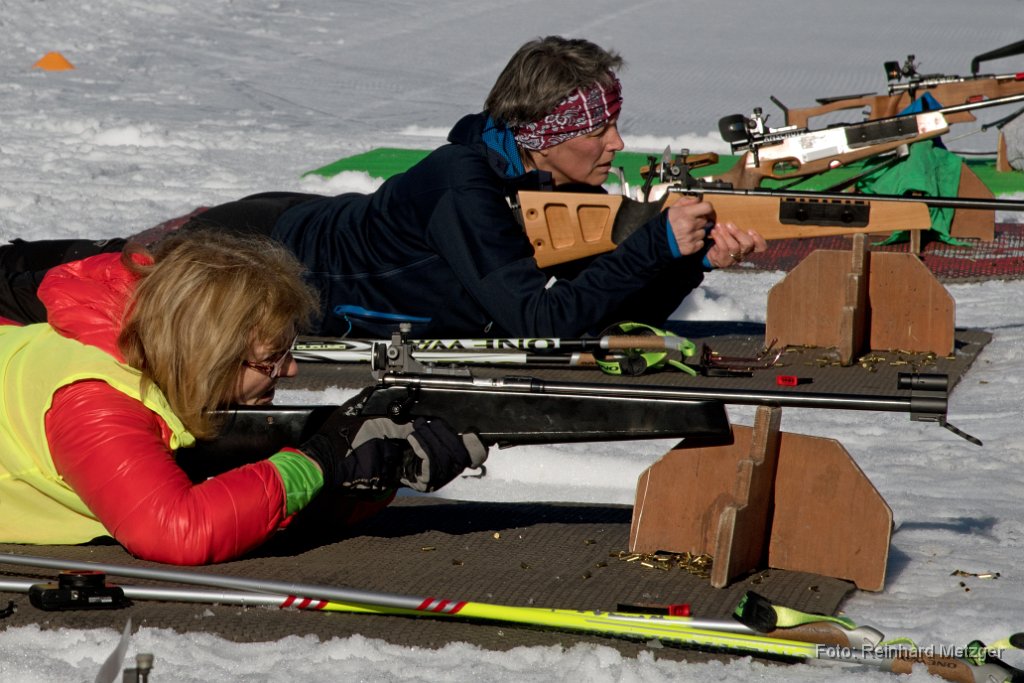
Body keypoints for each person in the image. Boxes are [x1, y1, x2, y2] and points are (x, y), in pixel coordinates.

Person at [0, 36, 765, 338]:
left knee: (88, 262)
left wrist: (681, 259)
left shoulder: (531, 189)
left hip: (292, 225)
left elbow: (602, 313)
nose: (617, 144)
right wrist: (657, 244)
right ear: (539, 128)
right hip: (252, 256)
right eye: (597, 128)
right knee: (73, 284)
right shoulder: (463, 184)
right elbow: (540, 323)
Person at [0, 230, 486, 565]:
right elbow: (175, 531)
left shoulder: (158, 363)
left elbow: (259, 509)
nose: (290, 371)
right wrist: (319, 463)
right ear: (209, 355)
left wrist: (375, 471)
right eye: (270, 359)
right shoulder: (94, 399)